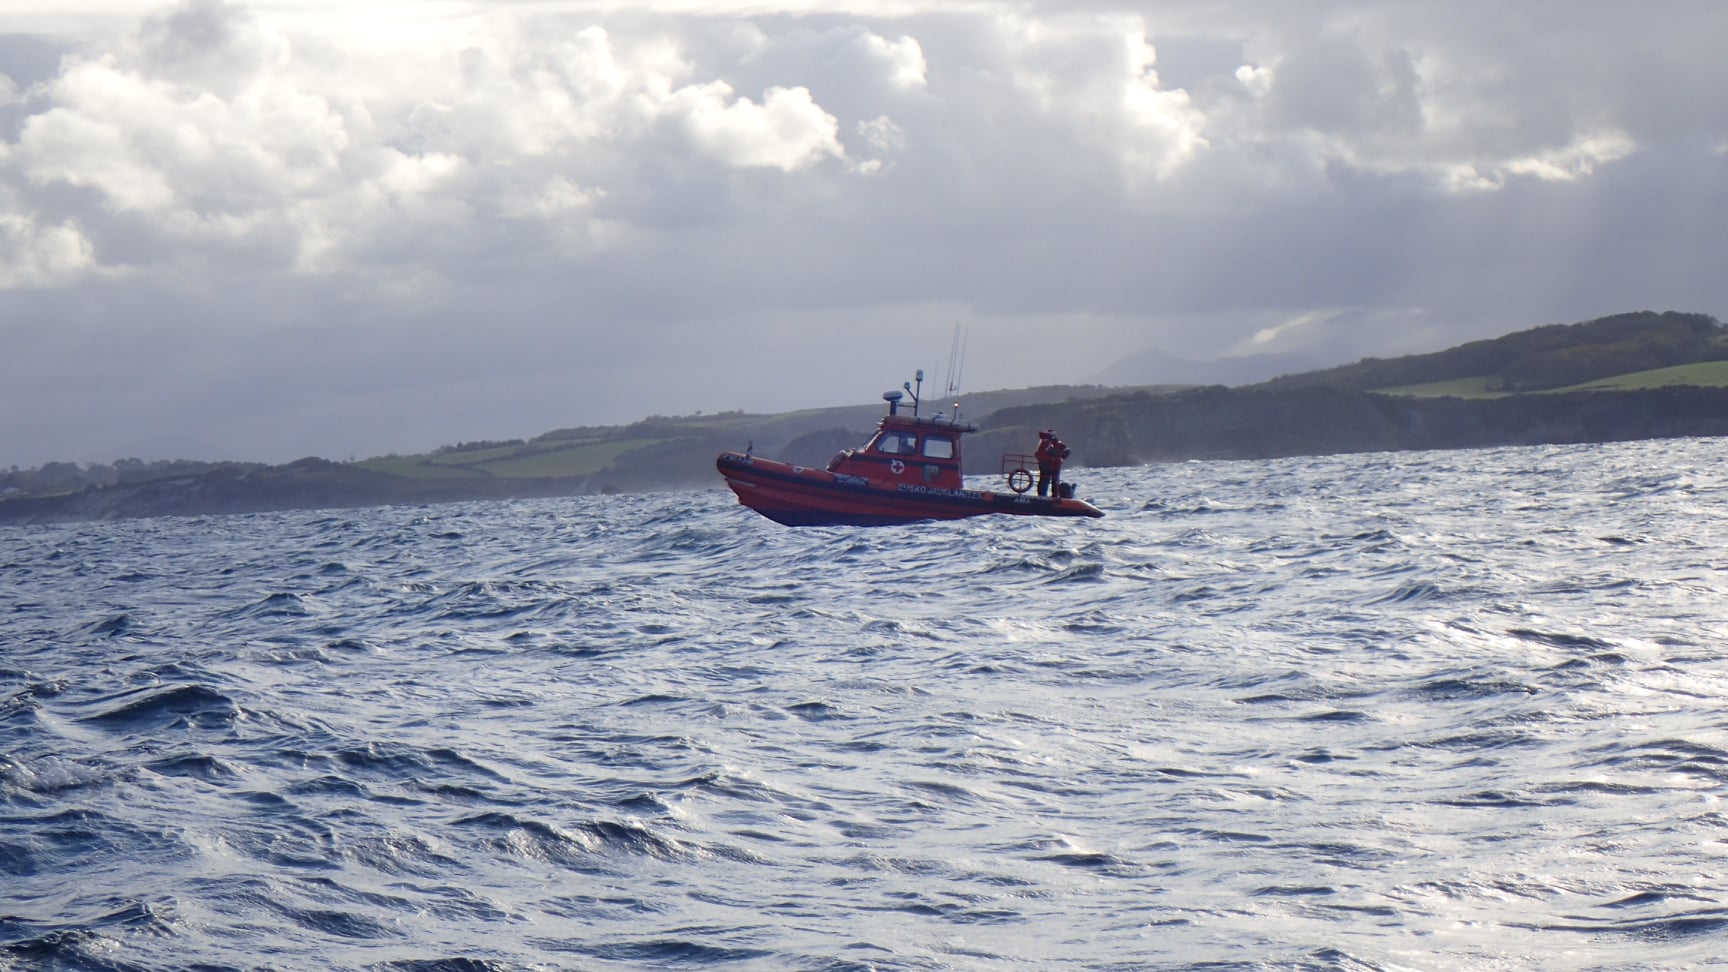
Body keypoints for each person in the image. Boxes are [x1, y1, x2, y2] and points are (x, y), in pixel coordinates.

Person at [1035, 429, 1069, 498]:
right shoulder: (1043, 444)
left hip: (1054, 467)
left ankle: (1054, 497)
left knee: (1053, 483)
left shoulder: (1057, 444)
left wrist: (1061, 458)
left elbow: (1067, 451)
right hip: (1045, 467)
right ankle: (1042, 497)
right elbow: (1039, 454)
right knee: (1044, 482)